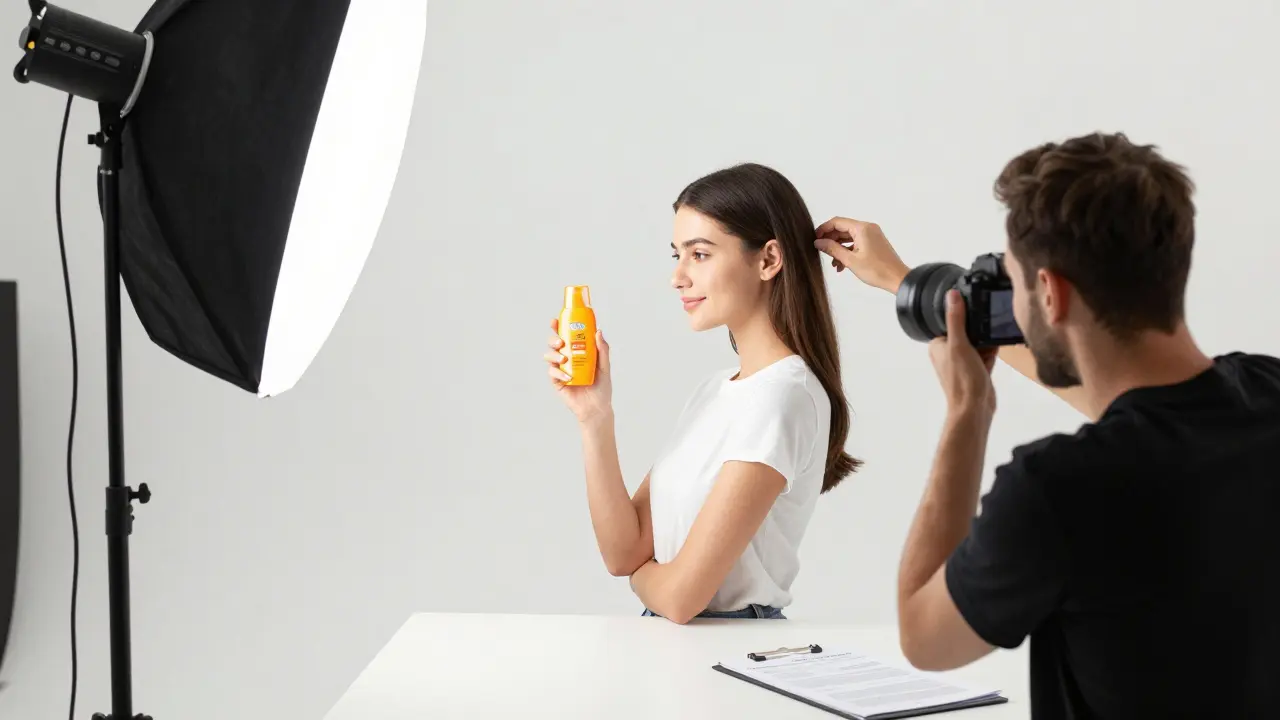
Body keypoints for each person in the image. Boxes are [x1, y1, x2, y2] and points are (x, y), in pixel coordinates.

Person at [815, 131, 1280, 718]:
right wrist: (903, 279)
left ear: (1051, 294)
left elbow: (925, 637)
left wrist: (967, 413)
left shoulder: (1058, 488)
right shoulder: (1267, 394)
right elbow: (1135, 405)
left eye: (1013, 282)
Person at [543, 162, 860, 623]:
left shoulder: (782, 397)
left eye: (701, 254)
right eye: (677, 255)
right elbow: (623, 551)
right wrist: (594, 416)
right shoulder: (715, 391)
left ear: (769, 260)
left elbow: (678, 599)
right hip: (676, 651)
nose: (678, 276)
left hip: (728, 653)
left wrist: (645, 576)